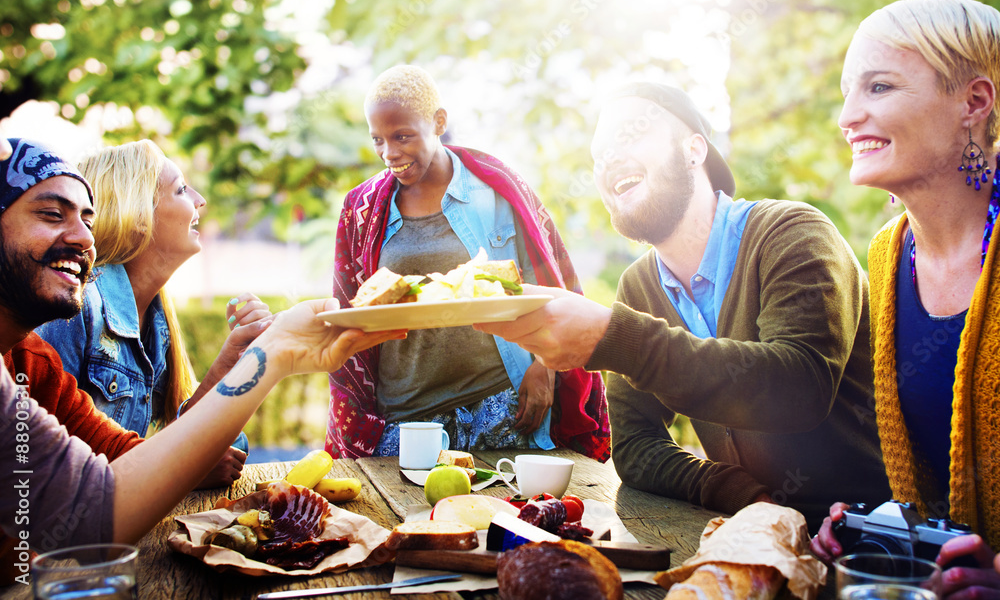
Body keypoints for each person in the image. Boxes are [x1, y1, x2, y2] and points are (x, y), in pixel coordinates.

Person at [475, 82, 890, 528]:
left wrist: (613, 339)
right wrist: (738, 492)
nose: (609, 160)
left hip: (870, 540)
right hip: (756, 533)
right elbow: (635, 446)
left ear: (694, 149)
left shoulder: (793, 233)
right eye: (598, 157)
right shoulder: (639, 285)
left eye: (629, 136)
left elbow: (799, 387)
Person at [0, 137, 403, 568]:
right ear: (138, 213)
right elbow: (87, 516)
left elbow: (124, 465)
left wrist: (259, 357)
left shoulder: (31, 359)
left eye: (87, 218)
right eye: (51, 214)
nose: (85, 237)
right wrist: (270, 355)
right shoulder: (76, 317)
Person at [808, 0, 1000, 596]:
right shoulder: (890, 255)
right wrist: (883, 530)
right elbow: (927, 481)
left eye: (879, 87)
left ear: (973, 102)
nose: (848, 116)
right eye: (847, 92)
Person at [327, 65, 610, 460]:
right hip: (406, 418)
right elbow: (350, 309)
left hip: (500, 403)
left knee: (506, 518)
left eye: (402, 136)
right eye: (378, 140)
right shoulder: (362, 209)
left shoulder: (497, 188)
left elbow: (550, 281)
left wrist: (545, 366)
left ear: (438, 121)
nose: (389, 153)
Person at [36, 141, 265, 464]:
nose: (200, 201)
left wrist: (235, 357)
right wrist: (187, 467)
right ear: (139, 215)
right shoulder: (77, 307)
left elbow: (197, 439)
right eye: (182, 190)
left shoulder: (156, 320)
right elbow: (45, 458)